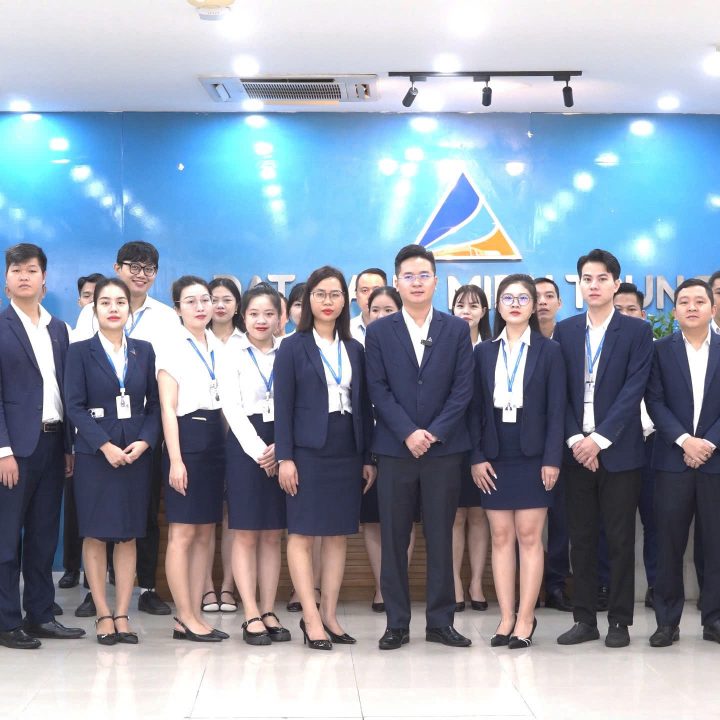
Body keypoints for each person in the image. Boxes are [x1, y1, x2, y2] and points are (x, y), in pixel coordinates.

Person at [365, 244, 474, 650]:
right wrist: (408, 432)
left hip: (443, 450)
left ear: (436, 282)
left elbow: (463, 390)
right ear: (397, 282)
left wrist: (434, 432)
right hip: (396, 449)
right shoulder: (379, 331)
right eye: (408, 276)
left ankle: (440, 622)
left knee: (441, 536)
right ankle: (396, 623)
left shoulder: (455, 329)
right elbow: (377, 389)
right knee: (394, 537)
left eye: (423, 275)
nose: (416, 282)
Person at [554, 249, 653, 648]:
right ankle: (584, 620)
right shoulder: (566, 331)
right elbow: (558, 394)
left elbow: (634, 390)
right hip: (576, 450)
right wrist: (577, 440)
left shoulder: (636, 332)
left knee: (619, 538)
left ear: (615, 283)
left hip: (619, 452)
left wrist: (599, 440)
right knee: (580, 539)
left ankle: (619, 622)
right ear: (579, 285)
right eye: (587, 279)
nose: (593, 285)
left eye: (601, 279)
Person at [74, 241, 178, 617]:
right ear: (117, 268)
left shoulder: (165, 318)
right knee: (95, 523)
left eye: (148, 268)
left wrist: (148, 439)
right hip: (97, 441)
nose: (140, 273)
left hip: (141, 437)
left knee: (142, 517)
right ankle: (96, 594)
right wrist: (101, 442)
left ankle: (145, 587)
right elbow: (77, 388)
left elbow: (163, 385)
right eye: (133, 266)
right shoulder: (88, 319)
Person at [275, 266, 375, 650]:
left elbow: (363, 406)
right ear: (308, 301)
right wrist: (285, 457)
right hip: (306, 451)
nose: (327, 301)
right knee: (301, 533)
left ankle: (330, 615)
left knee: (337, 534)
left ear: (345, 301)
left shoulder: (355, 349)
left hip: (346, 448)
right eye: (320, 294)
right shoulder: (292, 347)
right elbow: (283, 407)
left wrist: (367, 457)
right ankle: (310, 617)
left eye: (335, 294)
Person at [471, 274, 566, 648]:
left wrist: (552, 458)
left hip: (534, 455)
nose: (515, 304)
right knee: (500, 537)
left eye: (523, 298)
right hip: (494, 454)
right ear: (498, 306)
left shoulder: (550, 351)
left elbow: (557, 410)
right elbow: (474, 410)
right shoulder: (483, 352)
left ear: (533, 305)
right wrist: (476, 457)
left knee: (529, 536)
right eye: (508, 298)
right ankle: (506, 616)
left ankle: (526, 618)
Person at [64, 278, 160, 645]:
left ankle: (122, 613)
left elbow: (154, 405)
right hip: (95, 456)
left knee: (128, 533)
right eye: (105, 302)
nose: (114, 308)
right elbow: (74, 406)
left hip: (135, 455)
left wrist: (145, 442)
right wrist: (104, 445)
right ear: (95, 309)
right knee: (95, 532)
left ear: (129, 309)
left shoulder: (143, 351)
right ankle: (103, 613)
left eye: (120, 302)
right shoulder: (79, 352)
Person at [0, 243, 85, 649]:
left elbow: (65, 393)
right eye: (16, 270)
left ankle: (40, 615)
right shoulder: (1, 327)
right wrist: (3, 450)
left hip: (53, 446)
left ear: (44, 279)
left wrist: (68, 445)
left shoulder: (59, 329)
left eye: (31, 270)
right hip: (13, 452)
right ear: (6, 281)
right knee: (6, 538)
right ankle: (6, 620)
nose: (24, 276)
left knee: (43, 535)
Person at [645, 278, 720, 646]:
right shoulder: (660, 351)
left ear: (712, 308)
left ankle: (715, 619)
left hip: (715, 461)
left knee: (716, 543)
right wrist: (684, 440)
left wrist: (708, 442)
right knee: (668, 543)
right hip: (672, 460)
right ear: (674, 311)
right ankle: (667, 622)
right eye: (685, 302)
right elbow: (654, 401)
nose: (692, 307)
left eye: (699, 301)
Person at [157, 276, 227, 642]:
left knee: (205, 532)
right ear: (177, 308)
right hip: (186, 440)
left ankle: (196, 614)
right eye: (191, 301)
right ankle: (183, 616)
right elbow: (168, 409)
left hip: (217, 441)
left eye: (205, 300)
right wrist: (175, 460)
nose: (201, 307)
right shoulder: (171, 346)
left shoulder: (219, 345)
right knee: (182, 533)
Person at [221, 282, 291, 645]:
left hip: (284, 442)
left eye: (269, 313)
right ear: (242, 316)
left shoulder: (289, 350)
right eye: (254, 314)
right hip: (246, 446)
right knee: (246, 532)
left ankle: (268, 609)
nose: (261, 320)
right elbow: (231, 409)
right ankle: (250, 612)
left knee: (273, 534)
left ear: (280, 317)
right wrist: (261, 451)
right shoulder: (230, 352)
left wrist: (282, 447)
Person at [358, 286, 418, 613]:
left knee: (404, 520)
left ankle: (398, 584)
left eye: (388, 310)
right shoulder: (358, 347)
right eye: (375, 310)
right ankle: (382, 586)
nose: (381, 316)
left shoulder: (409, 345)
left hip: (404, 443)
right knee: (372, 520)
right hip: (371, 444)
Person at [58, 272, 108, 592]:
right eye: (88, 296)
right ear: (80, 301)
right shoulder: (71, 336)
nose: (92, 302)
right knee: (76, 508)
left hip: (110, 435)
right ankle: (71, 567)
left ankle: (100, 577)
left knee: (104, 511)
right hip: (78, 435)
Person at [611, 282, 657, 609]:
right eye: (619, 310)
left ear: (643, 315)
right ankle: (605, 587)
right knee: (611, 525)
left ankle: (656, 585)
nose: (625, 315)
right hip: (614, 444)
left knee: (656, 521)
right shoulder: (600, 350)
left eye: (632, 310)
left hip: (653, 444)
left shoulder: (659, 349)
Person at [200, 277, 244, 614]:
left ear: (237, 304)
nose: (219, 305)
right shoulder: (193, 340)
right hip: (202, 436)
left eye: (226, 299)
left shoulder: (248, 339)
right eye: (212, 298)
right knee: (204, 517)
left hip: (240, 439)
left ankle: (228, 587)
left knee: (232, 515)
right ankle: (205, 588)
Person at [450, 284, 491, 612]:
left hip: (484, 443)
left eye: (474, 306)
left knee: (478, 515)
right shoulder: (444, 344)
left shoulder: (492, 347)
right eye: (461, 305)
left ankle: (476, 582)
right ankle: (454, 582)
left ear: (484, 312)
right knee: (454, 516)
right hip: (449, 441)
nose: (467, 311)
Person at [533, 276, 573, 612]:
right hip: (522, 447)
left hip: (563, 445)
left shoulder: (570, 339)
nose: (542, 302)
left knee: (562, 519)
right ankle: (527, 587)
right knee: (523, 524)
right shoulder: (515, 340)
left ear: (560, 303)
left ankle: (556, 584)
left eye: (549, 296)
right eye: (536, 296)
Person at [350, 268, 387, 343]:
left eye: (376, 290)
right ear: (356, 295)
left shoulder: (399, 328)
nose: (370, 296)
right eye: (365, 290)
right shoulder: (346, 330)